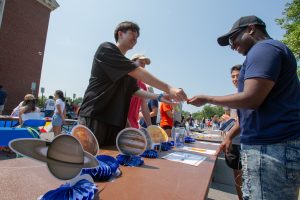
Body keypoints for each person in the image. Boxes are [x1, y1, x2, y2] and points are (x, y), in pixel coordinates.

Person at [188, 16, 300, 199]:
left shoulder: (263, 49)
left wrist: (207, 98)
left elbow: (251, 99)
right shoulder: (269, 50)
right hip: (269, 148)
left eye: (234, 39)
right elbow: (252, 111)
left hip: (270, 149)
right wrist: (230, 137)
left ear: (250, 29)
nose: (232, 46)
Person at [78, 21, 187, 146]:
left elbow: (135, 91)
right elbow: (136, 71)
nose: (136, 37)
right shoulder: (106, 49)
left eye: (137, 36)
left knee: (110, 159)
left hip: (115, 122)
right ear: (120, 34)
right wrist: (169, 88)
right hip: (95, 116)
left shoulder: (128, 72)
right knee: (86, 161)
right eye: (132, 33)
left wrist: (160, 96)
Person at [216, 64, 243, 200]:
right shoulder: (230, 98)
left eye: (238, 75)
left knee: (249, 179)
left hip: (247, 143)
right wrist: (226, 121)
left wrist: (231, 119)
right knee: (237, 178)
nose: (235, 78)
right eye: (233, 76)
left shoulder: (249, 94)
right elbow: (227, 120)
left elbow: (243, 120)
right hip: (234, 142)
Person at [127, 54, 152, 128]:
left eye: (144, 64)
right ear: (132, 62)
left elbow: (144, 107)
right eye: (141, 62)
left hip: (134, 125)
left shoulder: (143, 86)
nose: (143, 65)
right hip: (120, 124)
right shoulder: (125, 78)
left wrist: (150, 127)